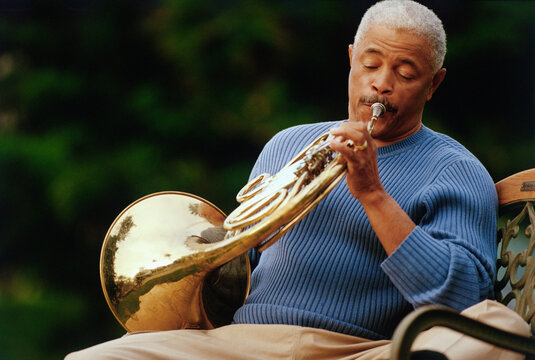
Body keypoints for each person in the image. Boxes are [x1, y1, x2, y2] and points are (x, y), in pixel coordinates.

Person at [66, 1, 529, 359]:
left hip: (362, 349)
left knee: (500, 328)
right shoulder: (288, 143)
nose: (382, 84)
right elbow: (233, 272)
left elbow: (463, 298)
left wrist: (372, 194)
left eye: (405, 73)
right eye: (371, 64)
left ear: (433, 85)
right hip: (244, 343)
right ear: (351, 59)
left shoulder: (455, 168)